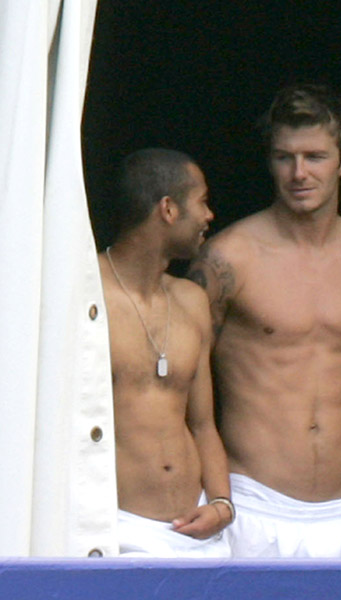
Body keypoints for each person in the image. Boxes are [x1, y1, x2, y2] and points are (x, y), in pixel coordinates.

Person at [187, 84, 341, 558]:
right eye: (285, 157)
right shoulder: (229, 258)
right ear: (270, 162)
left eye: (315, 157)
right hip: (252, 504)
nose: (299, 173)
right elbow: (184, 386)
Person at [99, 148, 235, 558]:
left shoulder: (192, 300)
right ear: (169, 209)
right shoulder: (86, 290)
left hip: (197, 530)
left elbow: (203, 423)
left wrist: (222, 504)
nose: (209, 215)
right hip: (118, 528)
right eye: (202, 201)